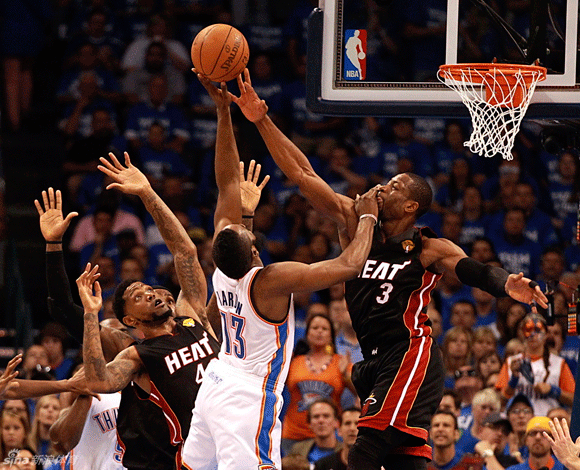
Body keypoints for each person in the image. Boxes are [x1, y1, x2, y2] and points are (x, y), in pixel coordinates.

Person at [229, 68, 547, 470]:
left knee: (367, 445)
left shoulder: (428, 246)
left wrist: (507, 285)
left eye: (395, 186)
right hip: (375, 358)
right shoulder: (356, 222)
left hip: (410, 353)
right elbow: (303, 174)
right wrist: (261, 119)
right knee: (403, 459)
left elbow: (474, 270)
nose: (383, 187)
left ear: (411, 206)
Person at [180, 71, 378, 470]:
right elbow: (350, 264)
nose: (242, 219)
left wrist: (223, 113)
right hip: (248, 396)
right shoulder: (272, 279)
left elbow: (225, 185)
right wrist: (369, 218)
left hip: (216, 380)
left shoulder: (222, 267)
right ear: (254, 250)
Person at [79, 152, 221, 467]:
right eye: (138, 296)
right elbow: (98, 382)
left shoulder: (189, 315)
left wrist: (147, 193)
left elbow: (185, 251)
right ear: (129, 319)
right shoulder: (140, 355)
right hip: (195, 455)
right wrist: (91, 315)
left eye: (148, 289)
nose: (149, 293)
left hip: (234, 432)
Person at [283, 313, 355, 454]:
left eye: (324, 328)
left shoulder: (340, 362)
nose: (320, 331)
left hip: (328, 436)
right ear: (307, 334)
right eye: (315, 327)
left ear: (331, 335)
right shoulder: (295, 362)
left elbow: (361, 392)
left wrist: (346, 374)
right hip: (293, 434)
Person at [495, 313, 575, 416]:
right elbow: (500, 400)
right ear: (523, 333)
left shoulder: (558, 363)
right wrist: (513, 380)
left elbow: (573, 400)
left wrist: (553, 390)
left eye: (537, 330)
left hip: (546, 422)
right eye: (528, 330)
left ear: (546, 334)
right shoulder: (511, 362)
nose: (533, 335)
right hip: (518, 422)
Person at [49, 390, 124, 470]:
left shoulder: (134, 398)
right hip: (81, 463)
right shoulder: (91, 389)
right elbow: (61, 442)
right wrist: (65, 412)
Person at [285, 398, 343, 466]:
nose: (321, 421)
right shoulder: (297, 450)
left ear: (336, 422)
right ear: (309, 424)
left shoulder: (345, 452)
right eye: (316, 416)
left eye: (326, 416)